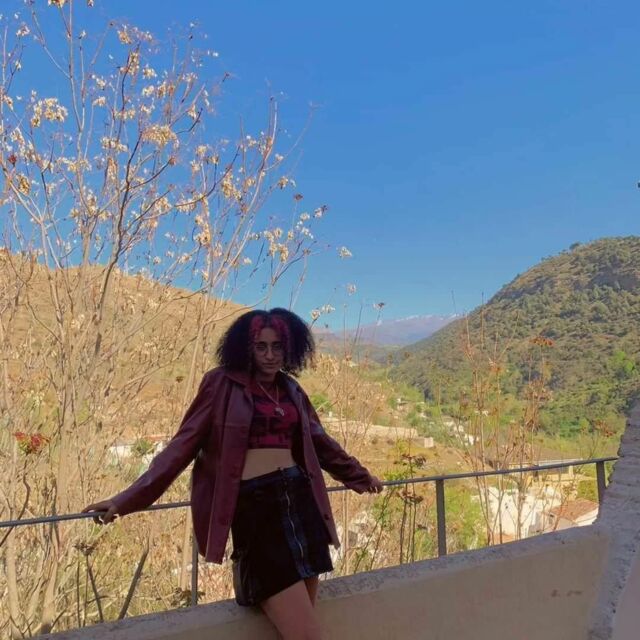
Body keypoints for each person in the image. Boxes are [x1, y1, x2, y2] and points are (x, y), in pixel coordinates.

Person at [83, 307, 383, 639]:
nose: (270, 355)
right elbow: (180, 447)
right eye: (261, 346)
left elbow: (321, 443)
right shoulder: (221, 384)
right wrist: (126, 500)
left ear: (289, 348)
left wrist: (359, 476)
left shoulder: (291, 389)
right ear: (245, 348)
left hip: (302, 505)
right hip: (258, 511)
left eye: (277, 346)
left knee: (296, 630)